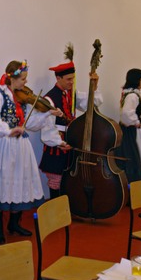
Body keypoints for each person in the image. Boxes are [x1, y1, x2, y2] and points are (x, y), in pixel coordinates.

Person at [0, 60, 63, 244]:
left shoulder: (22, 98)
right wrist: (8, 130)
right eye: (23, 79)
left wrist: (48, 113)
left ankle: (14, 224)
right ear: (12, 79)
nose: (26, 82)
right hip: (1, 145)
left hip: (20, 147)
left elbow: (30, 124)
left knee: (19, 185)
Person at [39, 56, 102, 199]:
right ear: (58, 78)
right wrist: (59, 142)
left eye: (73, 78)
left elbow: (91, 103)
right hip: (57, 146)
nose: (72, 82)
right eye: (68, 79)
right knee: (56, 181)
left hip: (70, 143)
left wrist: (94, 86)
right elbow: (47, 127)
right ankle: (56, 209)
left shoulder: (71, 94)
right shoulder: (49, 99)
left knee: (68, 180)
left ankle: (67, 208)